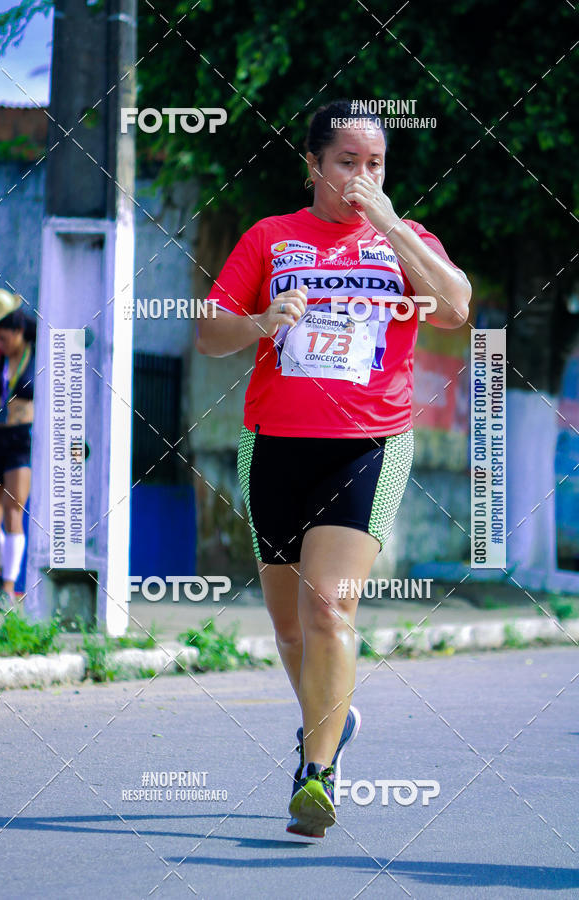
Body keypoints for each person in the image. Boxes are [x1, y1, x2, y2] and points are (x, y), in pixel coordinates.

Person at [196, 100, 471, 837]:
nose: (361, 176)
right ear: (312, 164)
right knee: (288, 628)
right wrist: (259, 322)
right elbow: (207, 332)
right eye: (347, 162)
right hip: (276, 442)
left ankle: (316, 776)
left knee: (329, 608)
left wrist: (387, 223)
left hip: (368, 445)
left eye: (375, 163)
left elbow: (453, 307)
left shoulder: (406, 241)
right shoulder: (271, 238)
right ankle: (333, 719)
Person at [0, 289, 36, 612]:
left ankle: (8, 587)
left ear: (17, 332)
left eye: (3, 337)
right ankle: (7, 570)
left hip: (21, 440)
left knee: (14, 508)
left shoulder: (38, 353)